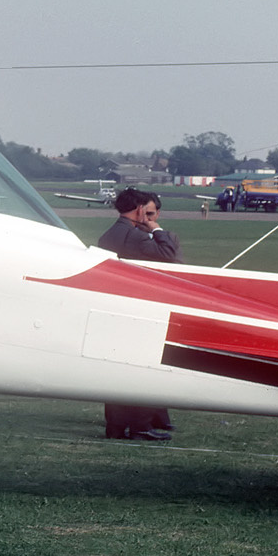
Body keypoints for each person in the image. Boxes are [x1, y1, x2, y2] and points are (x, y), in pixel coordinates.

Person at [96, 189, 181, 440]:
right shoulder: (134, 236)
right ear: (140, 210)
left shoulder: (108, 235)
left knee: (117, 370)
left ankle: (115, 426)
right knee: (143, 367)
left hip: (115, 308)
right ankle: (141, 426)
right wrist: (155, 228)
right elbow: (168, 254)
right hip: (138, 307)